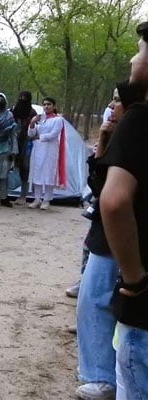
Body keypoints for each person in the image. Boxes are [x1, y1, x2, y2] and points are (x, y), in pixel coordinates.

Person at [75, 81, 146, 400]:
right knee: (92, 300)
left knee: (109, 303)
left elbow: (114, 199)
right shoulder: (117, 137)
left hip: (124, 237)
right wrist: (103, 141)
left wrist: (134, 278)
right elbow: (97, 185)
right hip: (103, 235)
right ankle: (99, 374)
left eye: (117, 101)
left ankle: (106, 377)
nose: (112, 107)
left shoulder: (136, 130)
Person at [99, 21, 148, 400]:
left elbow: (113, 202)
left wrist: (134, 281)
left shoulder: (141, 120)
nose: (134, 56)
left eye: (141, 48)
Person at [27, 97, 66, 210]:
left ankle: (47, 199)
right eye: (44, 104)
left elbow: (53, 134)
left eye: (49, 104)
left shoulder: (58, 120)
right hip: (38, 149)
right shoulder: (40, 119)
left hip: (50, 150)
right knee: (37, 172)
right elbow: (31, 133)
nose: (46, 107)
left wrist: (39, 137)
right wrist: (32, 122)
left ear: (54, 106)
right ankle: (37, 198)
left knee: (49, 173)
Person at [11, 90, 37, 205]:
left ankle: (23, 194)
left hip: (27, 143)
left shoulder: (32, 113)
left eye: (25, 97)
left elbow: (36, 129)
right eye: (21, 97)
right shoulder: (13, 110)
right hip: (12, 140)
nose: (22, 99)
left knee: (24, 167)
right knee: (6, 165)